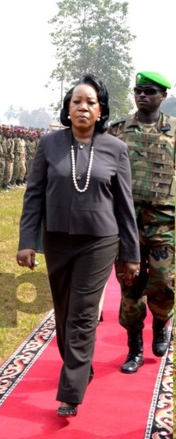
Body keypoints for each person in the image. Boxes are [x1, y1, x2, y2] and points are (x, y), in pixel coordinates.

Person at [17, 74, 140, 417]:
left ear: (101, 111)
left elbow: (124, 206)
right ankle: (80, 365)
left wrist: (130, 253)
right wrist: (27, 241)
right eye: (76, 101)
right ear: (67, 109)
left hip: (99, 240)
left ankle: (71, 392)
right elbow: (34, 196)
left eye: (90, 102)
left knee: (84, 312)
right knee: (65, 311)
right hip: (56, 238)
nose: (83, 107)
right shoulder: (50, 145)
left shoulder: (116, 149)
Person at [108, 71, 175, 374]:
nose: (141, 95)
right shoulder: (117, 131)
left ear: (163, 96)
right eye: (137, 90)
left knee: (163, 282)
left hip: (165, 223)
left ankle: (161, 323)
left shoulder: (174, 131)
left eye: (149, 91)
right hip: (127, 224)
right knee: (130, 287)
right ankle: (134, 346)